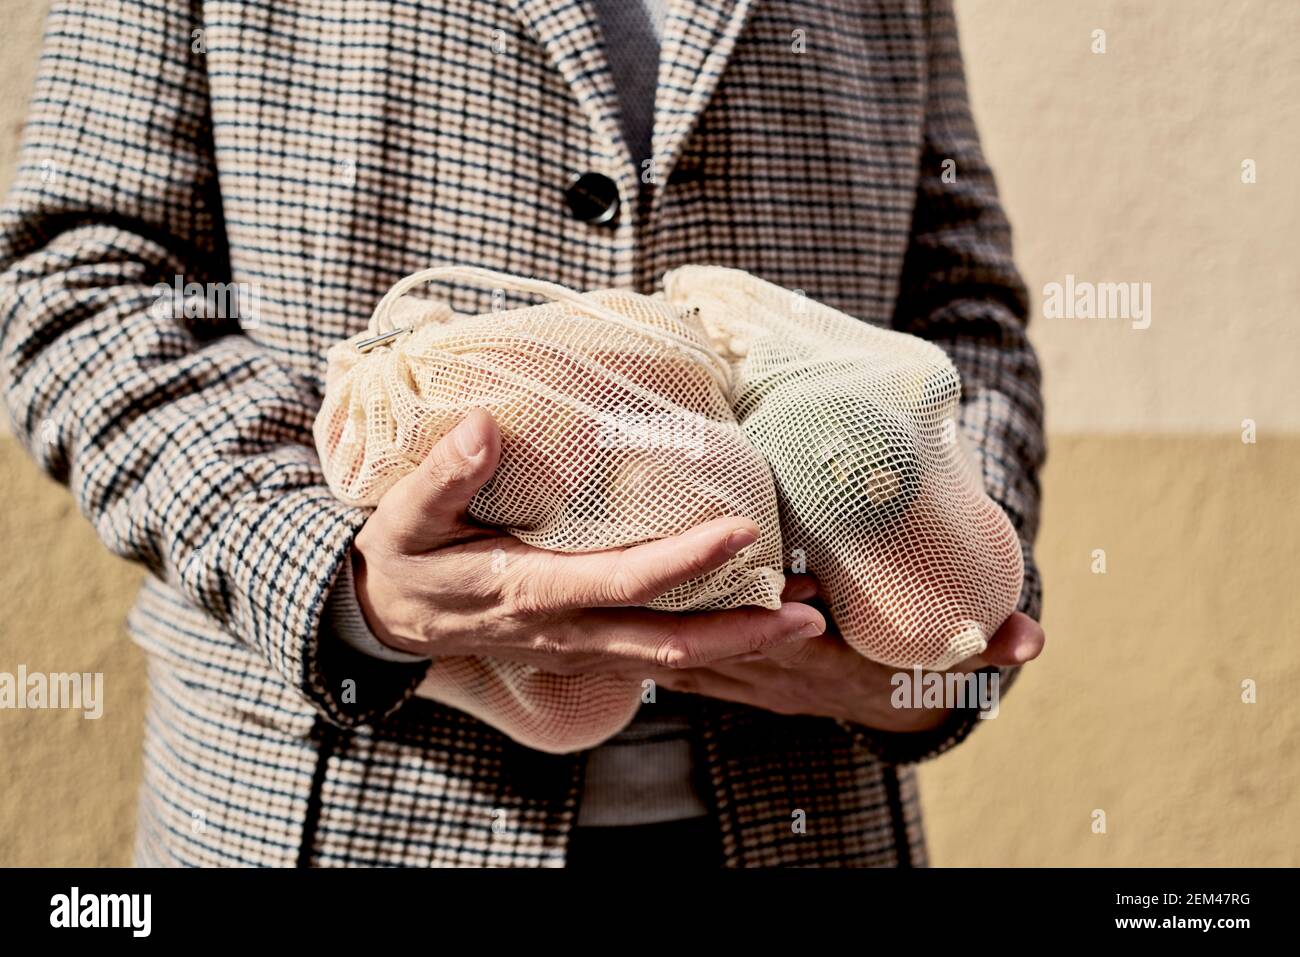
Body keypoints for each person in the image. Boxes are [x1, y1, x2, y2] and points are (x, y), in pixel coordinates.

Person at [0, 0, 1045, 867]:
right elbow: (76, 286)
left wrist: (934, 640)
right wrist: (339, 579)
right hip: (346, 805)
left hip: (806, 812)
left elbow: (960, 305)